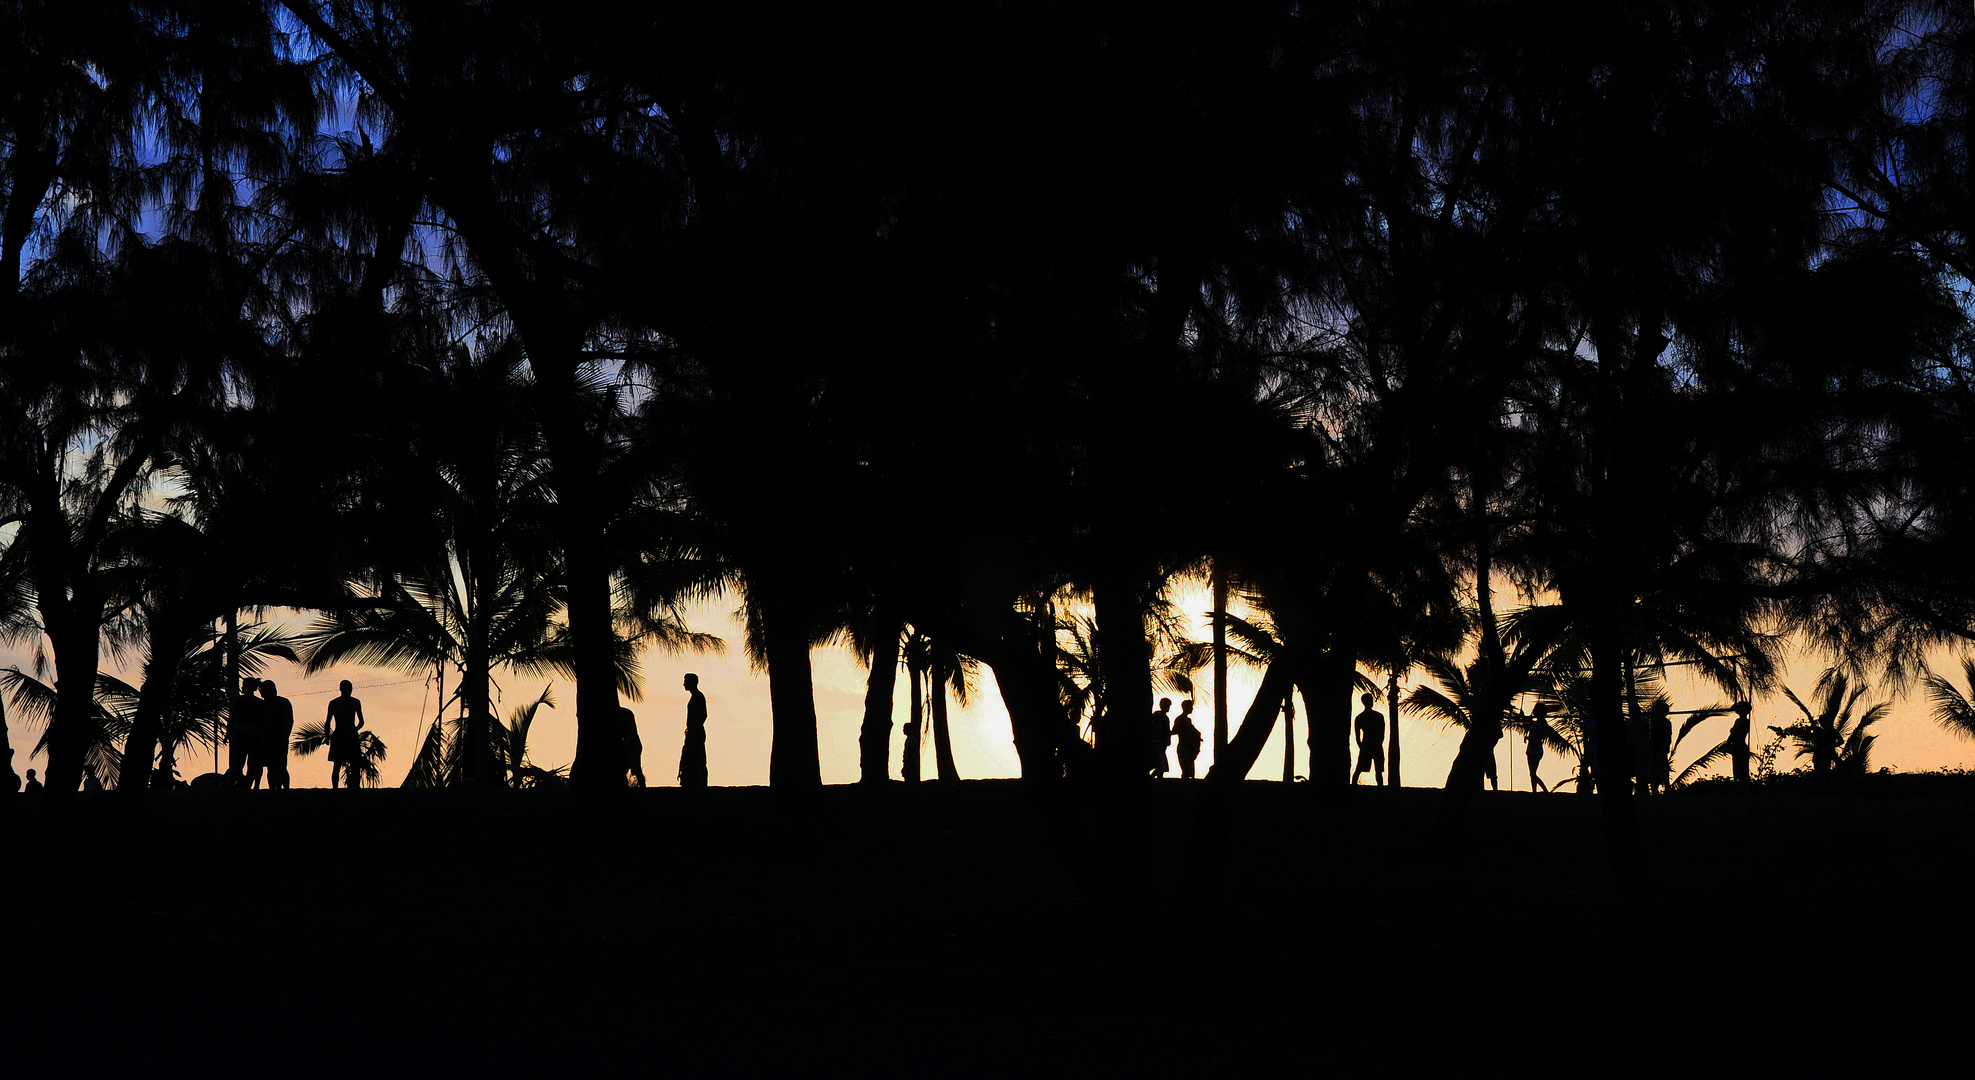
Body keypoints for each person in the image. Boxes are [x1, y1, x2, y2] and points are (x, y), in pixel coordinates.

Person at [324, 681, 366, 790]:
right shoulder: (355, 702)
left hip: (340, 735)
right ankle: (352, 787)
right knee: (353, 764)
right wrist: (353, 730)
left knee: (338, 764)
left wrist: (327, 737)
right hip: (348, 735)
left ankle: (336, 788)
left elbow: (328, 722)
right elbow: (361, 722)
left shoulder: (334, 703)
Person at [226, 676, 263, 787]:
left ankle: (229, 786)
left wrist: (228, 733)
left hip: (242, 734)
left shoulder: (239, 700)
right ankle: (247, 786)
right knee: (252, 764)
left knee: (238, 764)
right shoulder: (259, 703)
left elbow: (232, 717)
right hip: (255, 735)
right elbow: (263, 722)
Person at [260, 680, 295, 790]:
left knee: (280, 767)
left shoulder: (282, 702)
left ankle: (285, 788)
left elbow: (289, 721)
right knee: (271, 767)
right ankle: (274, 789)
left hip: (278, 738)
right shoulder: (262, 704)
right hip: (267, 739)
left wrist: (285, 736)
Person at [679, 673, 709, 789]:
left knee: (699, 760)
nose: (684, 684)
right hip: (693, 732)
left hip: (696, 733)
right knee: (692, 759)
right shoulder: (695, 696)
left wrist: (694, 729)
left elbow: (703, 715)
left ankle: (703, 785)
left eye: (686, 681)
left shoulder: (698, 696)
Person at [1353, 693, 1386, 786]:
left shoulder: (1359, 718)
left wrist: (1362, 746)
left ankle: (1353, 785)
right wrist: (1378, 743)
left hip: (1367, 742)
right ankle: (1380, 788)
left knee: (1359, 768)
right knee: (1378, 769)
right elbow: (1382, 734)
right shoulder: (1379, 716)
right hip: (1375, 742)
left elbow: (1357, 737)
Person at [1172, 699, 1203, 779]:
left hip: (1188, 747)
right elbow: (1174, 731)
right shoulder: (1181, 719)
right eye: (1190, 707)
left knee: (1189, 769)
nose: (1192, 709)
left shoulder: (1187, 720)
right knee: (1186, 769)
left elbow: (1195, 732)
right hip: (1184, 747)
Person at [1526, 703, 1553, 793]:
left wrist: (1528, 738)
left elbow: (1537, 737)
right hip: (1534, 749)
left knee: (1533, 773)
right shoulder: (1540, 722)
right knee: (1532, 773)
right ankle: (1534, 791)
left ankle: (1544, 790)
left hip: (1534, 749)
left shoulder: (1540, 723)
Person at [1727, 701, 1753, 784]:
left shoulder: (1744, 721)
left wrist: (1728, 742)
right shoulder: (1738, 720)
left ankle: (1744, 786)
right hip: (1736, 746)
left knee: (1742, 769)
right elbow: (1732, 709)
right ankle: (1738, 785)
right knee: (1736, 769)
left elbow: (1736, 734)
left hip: (1740, 747)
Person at [621, 706, 646, 787]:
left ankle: (643, 787)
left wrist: (626, 742)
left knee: (636, 768)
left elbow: (632, 729)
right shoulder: (624, 713)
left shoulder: (626, 713)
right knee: (623, 769)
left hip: (633, 745)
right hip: (627, 745)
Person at [1149, 698, 1174, 778]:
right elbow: (1153, 728)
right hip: (1156, 745)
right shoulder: (1157, 716)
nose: (1168, 708)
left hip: (1161, 745)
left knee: (1160, 766)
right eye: (1167, 705)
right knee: (1160, 766)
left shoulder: (1165, 718)